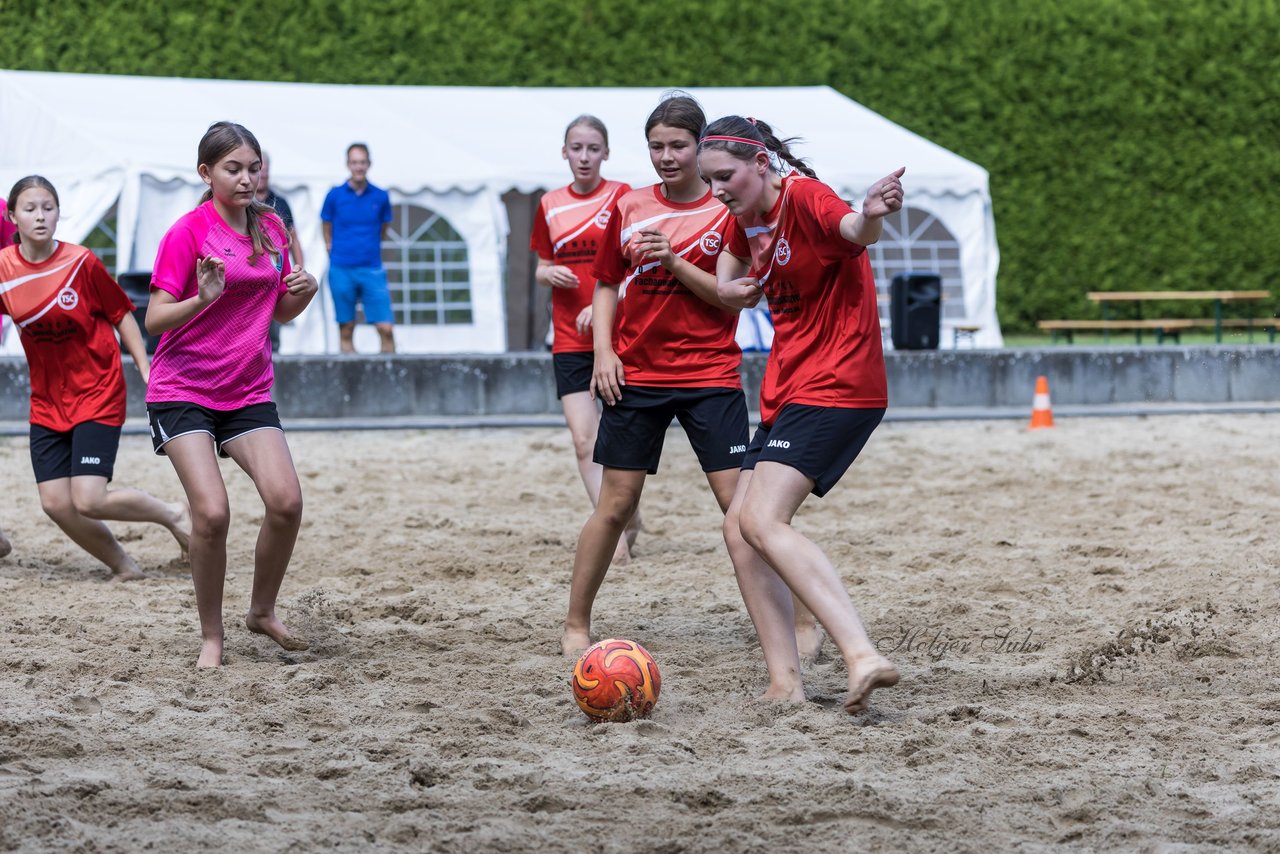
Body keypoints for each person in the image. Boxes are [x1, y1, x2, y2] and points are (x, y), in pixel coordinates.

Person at [561, 93, 821, 658]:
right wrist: (604, 352)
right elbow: (606, 282)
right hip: (638, 375)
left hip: (709, 374)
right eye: (656, 146)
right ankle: (576, 624)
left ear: (701, 146)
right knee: (615, 505)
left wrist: (674, 262)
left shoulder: (731, 206)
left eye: (678, 145)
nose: (666, 156)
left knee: (747, 510)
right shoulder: (629, 205)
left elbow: (735, 303)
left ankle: (805, 621)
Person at [697, 114, 906, 714]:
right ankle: (785, 682)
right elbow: (728, 273)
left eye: (725, 177)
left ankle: (861, 654)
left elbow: (853, 229)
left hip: (839, 384)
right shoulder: (746, 217)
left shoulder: (805, 197)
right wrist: (731, 288)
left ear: (761, 163)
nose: (717, 191)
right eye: (709, 181)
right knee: (739, 530)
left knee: (762, 520)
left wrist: (871, 211)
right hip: (791, 389)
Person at [145, 121, 319, 668]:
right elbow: (153, 320)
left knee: (287, 502)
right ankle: (212, 637)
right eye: (233, 169)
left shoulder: (272, 226)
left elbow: (278, 308)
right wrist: (203, 297)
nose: (247, 178)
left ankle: (261, 612)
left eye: (253, 167)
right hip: (183, 389)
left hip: (246, 388)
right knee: (213, 513)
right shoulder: (186, 232)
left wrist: (305, 292)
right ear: (207, 173)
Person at [0, 176, 190, 581]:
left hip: (97, 390)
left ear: (58, 214)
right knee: (55, 504)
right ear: (12, 216)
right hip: (47, 402)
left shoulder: (80, 262)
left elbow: (122, 314)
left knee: (88, 498)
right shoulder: (5, 269)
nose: (40, 216)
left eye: (48, 208)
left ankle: (174, 514)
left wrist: (145, 368)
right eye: (30, 209)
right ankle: (124, 565)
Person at [530, 115, 640, 563]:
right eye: (576, 147)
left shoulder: (623, 196)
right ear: (564, 152)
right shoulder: (549, 203)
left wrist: (604, 303)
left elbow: (637, 265)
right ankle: (611, 533)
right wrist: (545, 274)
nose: (584, 156)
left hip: (620, 335)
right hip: (568, 339)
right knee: (583, 440)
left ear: (606, 153)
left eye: (593, 148)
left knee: (626, 442)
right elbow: (540, 263)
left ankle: (629, 514)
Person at [321, 143, 394, 353]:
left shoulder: (380, 196)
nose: (358, 167)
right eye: (354, 162)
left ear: (369, 164)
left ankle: (390, 378)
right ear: (348, 165)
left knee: (385, 328)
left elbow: (384, 226)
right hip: (341, 267)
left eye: (362, 162)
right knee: (346, 328)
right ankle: (350, 380)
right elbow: (326, 223)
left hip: (372, 268)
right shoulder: (334, 195)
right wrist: (330, 244)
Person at [255, 150, 304, 352]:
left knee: (272, 329)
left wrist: (299, 267)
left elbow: (292, 238)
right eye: (260, 171)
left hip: (273, 275)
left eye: (267, 171)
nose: (264, 175)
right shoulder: (241, 203)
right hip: (249, 271)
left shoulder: (280, 203)